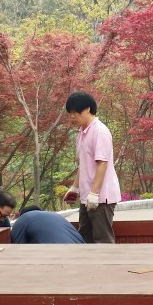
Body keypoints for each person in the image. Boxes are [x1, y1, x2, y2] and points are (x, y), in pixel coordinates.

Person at [63, 91, 121, 243]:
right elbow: (84, 164)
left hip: (101, 197)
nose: (72, 117)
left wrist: (94, 193)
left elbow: (102, 163)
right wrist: (75, 188)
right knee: (85, 237)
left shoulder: (100, 131)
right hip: (87, 196)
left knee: (102, 239)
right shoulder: (82, 133)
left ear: (87, 109)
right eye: (70, 113)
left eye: (75, 113)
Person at [11, 206, 85, 244]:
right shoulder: (56, 215)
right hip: (83, 251)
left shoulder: (23, 219)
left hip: (61, 255)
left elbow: (19, 248)